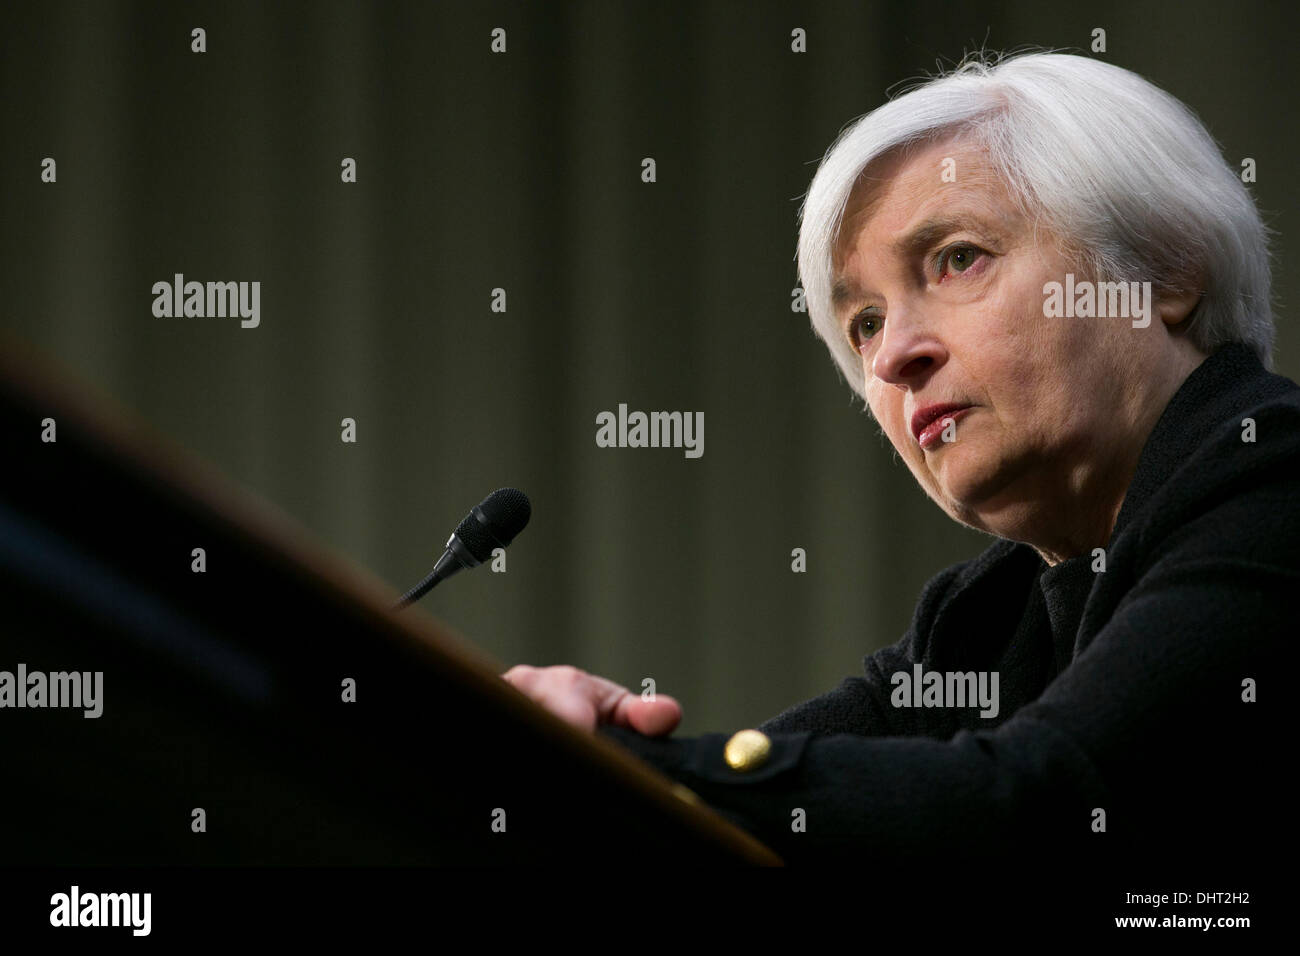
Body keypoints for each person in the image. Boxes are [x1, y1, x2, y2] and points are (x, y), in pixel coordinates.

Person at [503, 52, 1293, 881]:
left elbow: (1051, 808)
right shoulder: (985, 620)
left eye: (958, 259)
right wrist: (573, 753)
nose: (892, 360)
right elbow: (811, 798)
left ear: (1165, 272)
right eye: (866, 322)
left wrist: (653, 770)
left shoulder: (1277, 482)